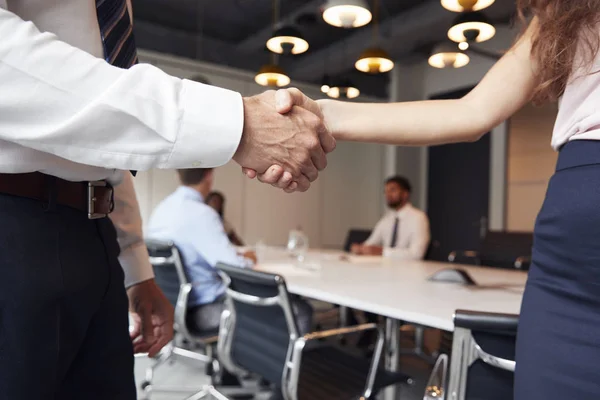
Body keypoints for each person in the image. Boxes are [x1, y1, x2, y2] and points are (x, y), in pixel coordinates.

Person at [248, 1, 600, 397]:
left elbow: (471, 113)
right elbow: (472, 111)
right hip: (572, 236)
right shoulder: (569, 10)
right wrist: (318, 114)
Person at [0, 2, 334, 399]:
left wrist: (134, 263)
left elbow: (102, 140)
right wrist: (237, 124)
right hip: (13, 225)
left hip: (93, 235)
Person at [146, 169, 313, 333]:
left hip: (171, 305)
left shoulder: (161, 210)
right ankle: (263, 359)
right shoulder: (202, 214)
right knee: (300, 309)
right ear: (209, 175)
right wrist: (248, 259)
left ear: (178, 175)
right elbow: (236, 269)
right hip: (203, 310)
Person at [351, 176, 430, 259]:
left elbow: (417, 254)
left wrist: (383, 252)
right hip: (385, 267)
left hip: (407, 269)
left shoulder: (418, 218)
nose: (387, 194)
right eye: (386, 191)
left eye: (392, 190)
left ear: (405, 194)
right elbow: (371, 242)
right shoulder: (387, 218)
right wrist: (360, 249)